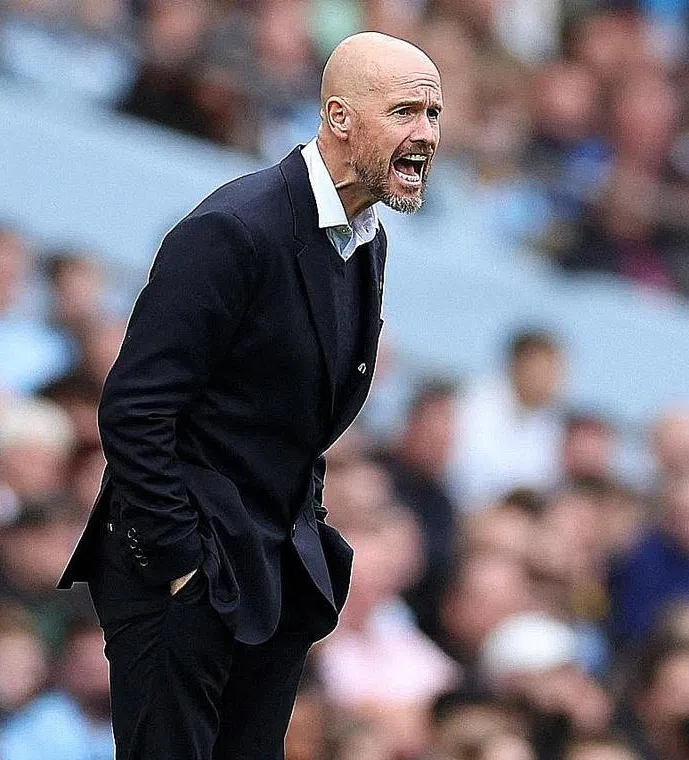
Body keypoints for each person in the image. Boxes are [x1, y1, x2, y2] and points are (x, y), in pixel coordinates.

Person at [57, 31, 443, 760]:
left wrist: (306, 535)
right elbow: (135, 407)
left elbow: (298, 422)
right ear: (338, 117)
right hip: (188, 577)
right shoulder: (235, 228)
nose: (426, 135)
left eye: (433, 114)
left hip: (268, 579)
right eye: (404, 112)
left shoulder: (365, 240)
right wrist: (179, 563)